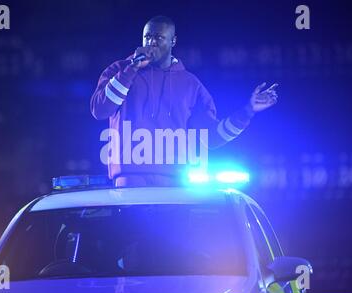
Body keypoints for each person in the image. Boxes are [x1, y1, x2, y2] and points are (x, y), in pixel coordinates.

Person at [90, 16, 278, 187]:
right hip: (129, 177)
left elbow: (210, 137)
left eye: (159, 37)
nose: (151, 42)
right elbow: (99, 110)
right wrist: (132, 68)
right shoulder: (120, 70)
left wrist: (247, 111)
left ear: (173, 41)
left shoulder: (190, 84)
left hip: (175, 181)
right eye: (147, 37)